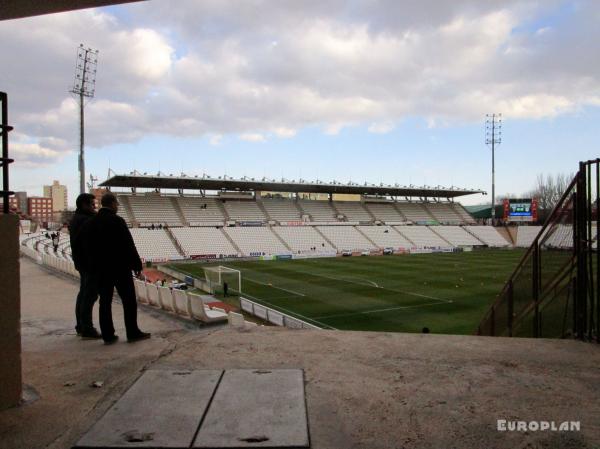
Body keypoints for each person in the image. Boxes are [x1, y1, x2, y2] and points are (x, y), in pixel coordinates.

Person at [85, 192, 150, 344]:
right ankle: (132, 332)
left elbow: (88, 247)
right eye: (117, 204)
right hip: (120, 268)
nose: (118, 207)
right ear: (113, 203)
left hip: (101, 269)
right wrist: (136, 265)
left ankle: (108, 335)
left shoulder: (91, 222)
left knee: (105, 302)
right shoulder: (117, 221)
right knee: (128, 301)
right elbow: (128, 244)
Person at [69, 193, 101, 339]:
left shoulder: (77, 219)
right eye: (92, 204)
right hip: (90, 263)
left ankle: (81, 326)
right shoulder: (85, 220)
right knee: (89, 295)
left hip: (83, 262)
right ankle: (87, 328)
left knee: (83, 294)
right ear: (84, 205)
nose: (95, 207)